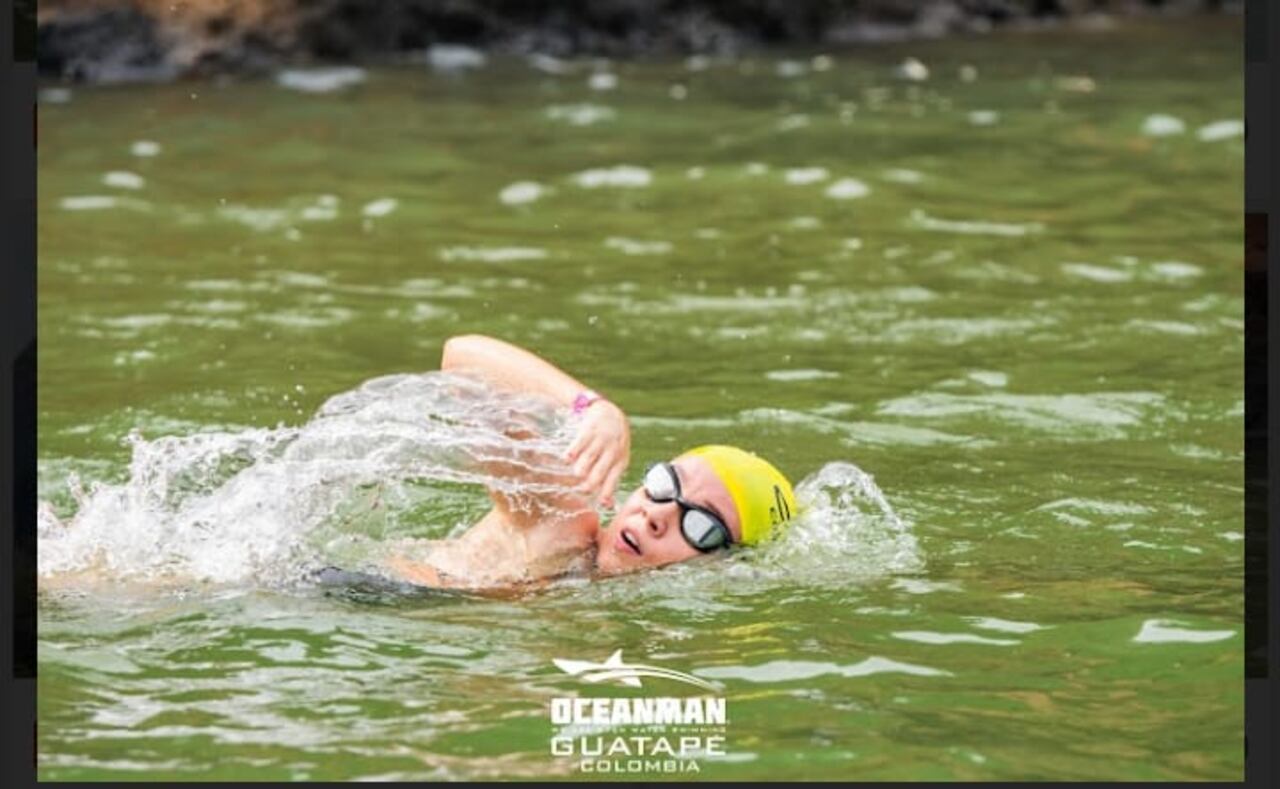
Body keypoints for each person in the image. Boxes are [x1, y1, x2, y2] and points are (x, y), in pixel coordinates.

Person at [378, 334, 798, 591]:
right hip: (348, 594)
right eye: (666, 484)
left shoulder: (600, 605)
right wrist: (591, 407)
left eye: (701, 525)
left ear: (725, 567)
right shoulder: (561, 521)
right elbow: (462, 358)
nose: (658, 514)